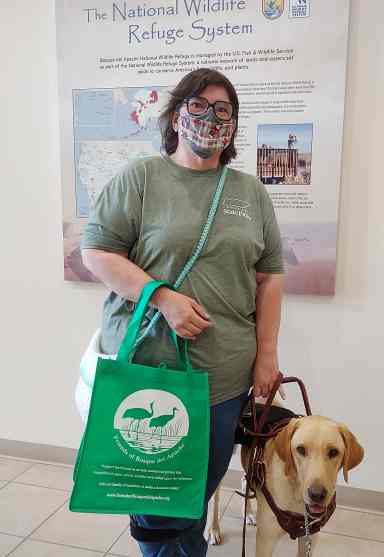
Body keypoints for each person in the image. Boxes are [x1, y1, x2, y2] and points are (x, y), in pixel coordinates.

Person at [80, 68, 284, 557]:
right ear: (175, 115)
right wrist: (161, 296)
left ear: (233, 126)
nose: (210, 119)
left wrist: (267, 355)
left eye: (223, 111)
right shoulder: (141, 178)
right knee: (156, 503)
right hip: (149, 373)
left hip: (223, 377)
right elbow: (97, 252)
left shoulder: (250, 193)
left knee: (194, 495)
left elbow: (270, 275)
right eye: (198, 106)